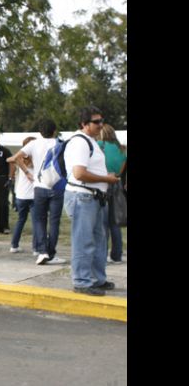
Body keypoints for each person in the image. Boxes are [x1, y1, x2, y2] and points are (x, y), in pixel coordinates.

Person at [64, 106, 120, 296]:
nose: (100, 125)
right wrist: (106, 179)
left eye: (101, 121)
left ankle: (97, 279)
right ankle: (81, 281)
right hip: (83, 197)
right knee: (84, 241)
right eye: (96, 122)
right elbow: (79, 174)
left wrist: (105, 176)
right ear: (84, 124)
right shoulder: (80, 143)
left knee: (98, 241)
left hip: (93, 198)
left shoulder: (91, 141)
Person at [12, 119, 66, 266]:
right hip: (57, 186)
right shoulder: (59, 143)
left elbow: (16, 158)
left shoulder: (34, 143)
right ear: (54, 131)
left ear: (40, 132)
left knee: (39, 220)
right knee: (54, 221)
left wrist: (27, 172)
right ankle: (51, 253)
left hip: (39, 186)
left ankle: (42, 252)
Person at [97, 124, 126, 264]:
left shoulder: (98, 145)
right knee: (114, 221)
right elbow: (121, 171)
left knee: (102, 222)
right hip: (117, 183)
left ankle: (102, 254)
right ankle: (117, 255)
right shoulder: (122, 149)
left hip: (102, 183)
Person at [6, 137, 36, 253]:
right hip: (33, 195)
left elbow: (9, 159)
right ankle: (36, 247)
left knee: (21, 220)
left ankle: (14, 245)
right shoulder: (36, 159)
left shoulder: (20, 160)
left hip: (21, 195)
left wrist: (18, 157)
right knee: (36, 222)